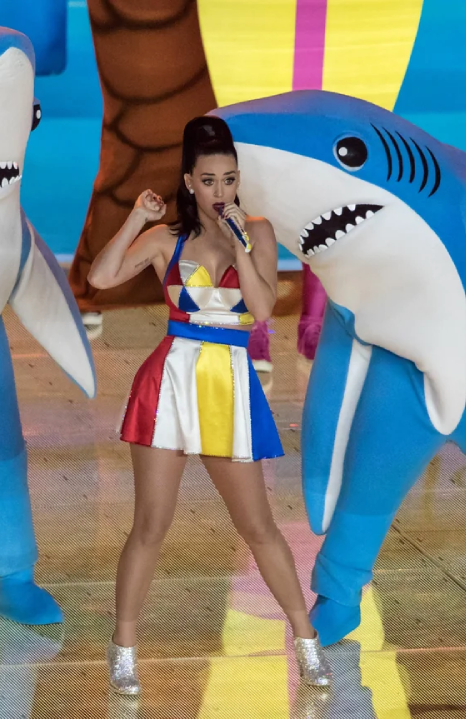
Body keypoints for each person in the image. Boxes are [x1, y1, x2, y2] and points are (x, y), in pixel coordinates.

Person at [88, 116, 332, 696]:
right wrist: (135, 219)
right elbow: (101, 276)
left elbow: (263, 309)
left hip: (229, 385)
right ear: (189, 182)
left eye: (229, 179)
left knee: (259, 526)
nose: (221, 190)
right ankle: (123, 650)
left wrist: (240, 245)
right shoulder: (166, 239)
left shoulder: (259, 233)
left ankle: (306, 642)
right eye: (209, 180)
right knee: (151, 524)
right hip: (169, 384)